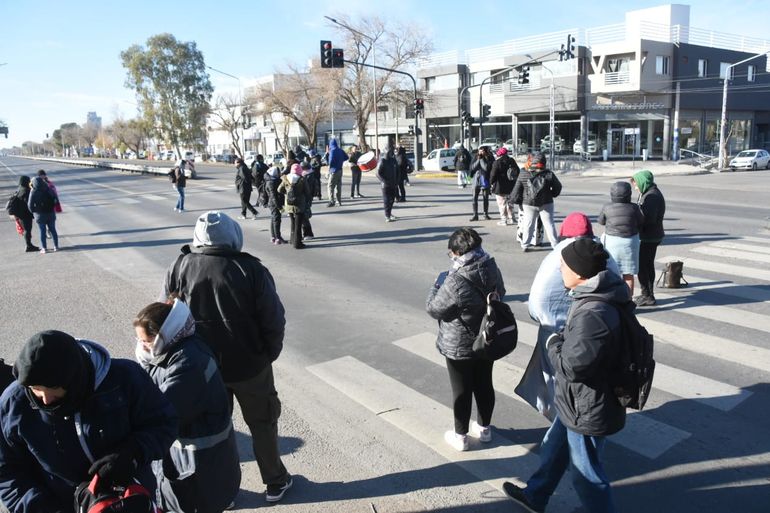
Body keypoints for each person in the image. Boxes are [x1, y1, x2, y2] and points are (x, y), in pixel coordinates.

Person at [159, 211, 293, 504]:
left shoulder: (179, 266)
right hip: (249, 364)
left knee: (217, 429)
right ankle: (275, 482)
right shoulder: (250, 269)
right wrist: (269, 353)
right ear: (233, 236)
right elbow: (273, 319)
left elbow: (165, 319)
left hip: (201, 368)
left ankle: (224, 492)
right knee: (263, 423)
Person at [504, 238, 627, 513]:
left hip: (588, 403)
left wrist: (553, 343)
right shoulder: (595, 297)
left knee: (586, 477)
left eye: (565, 265)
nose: (559, 268)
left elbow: (573, 365)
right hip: (578, 398)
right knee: (555, 448)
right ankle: (536, 495)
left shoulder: (593, 312)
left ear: (580, 273)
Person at [0, 330, 178, 512]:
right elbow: (7, 473)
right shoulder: (13, 405)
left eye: (53, 388)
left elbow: (163, 422)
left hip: (131, 501)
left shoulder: (124, 378)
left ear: (73, 378)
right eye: (36, 389)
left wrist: (132, 453)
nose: (45, 399)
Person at [133, 299, 241, 513]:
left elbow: (161, 412)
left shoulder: (188, 363)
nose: (143, 346)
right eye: (140, 340)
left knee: (195, 504)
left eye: (147, 340)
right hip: (190, 462)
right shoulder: (171, 350)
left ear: (165, 333)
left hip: (198, 466)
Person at [517, 212, 620, 420]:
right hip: (595, 330)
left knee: (559, 379)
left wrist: (552, 331)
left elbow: (538, 300)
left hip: (559, 330)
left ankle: (563, 419)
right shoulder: (602, 253)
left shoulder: (562, 255)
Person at [426, 227, 506, 451]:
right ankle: (484, 429)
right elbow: (501, 293)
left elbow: (434, 309)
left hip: (459, 342)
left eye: (451, 253)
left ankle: (460, 436)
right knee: (484, 383)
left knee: (461, 390)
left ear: (457, 253)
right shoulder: (491, 266)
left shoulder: (454, 279)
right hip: (486, 336)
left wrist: (436, 285)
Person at [598, 181, 645, 298]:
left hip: (612, 241)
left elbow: (601, 221)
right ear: (628, 194)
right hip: (629, 242)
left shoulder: (607, 207)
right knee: (628, 274)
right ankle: (628, 301)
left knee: (612, 272)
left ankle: (613, 300)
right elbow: (641, 221)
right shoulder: (634, 207)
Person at [511, 151, 561, 252]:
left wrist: (517, 200)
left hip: (528, 203)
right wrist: (552, 194)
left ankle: (525, 245)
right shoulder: (548, 174)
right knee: (549, 224)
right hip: (546, 202)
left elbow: (517, 190)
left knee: (528, 224)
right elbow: (558, 187)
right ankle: (555, 245)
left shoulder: (524, 172)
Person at [631, 170, 666, 307]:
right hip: (650, 235)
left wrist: (635, 219)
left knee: (644, 267)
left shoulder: (652, 197)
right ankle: (646, 294)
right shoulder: (648, 193)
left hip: (650, 236)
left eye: (636, 184)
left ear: (643, 182)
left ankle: (649, 296)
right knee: (646, 265)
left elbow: (648, 219)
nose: (635, 187)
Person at [278, 163, 312, 249]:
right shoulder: (301, 179)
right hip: (299, 205)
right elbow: (307, 192)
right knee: (298, 224)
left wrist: (287, 193)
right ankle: (297, 243)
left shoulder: (285, 178)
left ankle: (292, 240)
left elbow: (279, 189)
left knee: (292, 223)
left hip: (288, 204)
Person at [6, 175, 39, 252]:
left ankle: (29, 245)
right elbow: (28, 202)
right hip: (25, 214)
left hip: (20, 214)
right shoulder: (26, 190)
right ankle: (28, 246)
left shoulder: (19, 189)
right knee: (27, 230)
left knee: (25, 230)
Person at [27, 175, 59, 253]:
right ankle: (56, 246)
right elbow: (56, 200)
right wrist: (51, 207)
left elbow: (30, 205)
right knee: (53, 230)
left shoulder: (33, 191)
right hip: (50, 213)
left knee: (42, 231)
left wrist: (35, 212)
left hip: (40, 214)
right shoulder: (48, 189)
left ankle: (44, 248)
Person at [489, 147, 518, 226]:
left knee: (502, 204)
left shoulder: (497, 162)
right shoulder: (511, 161)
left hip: (500, 187)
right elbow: (517, 172)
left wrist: (490, 183)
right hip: (511, 186)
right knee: (510, 203)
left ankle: (504, 220)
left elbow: (493, 175)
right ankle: (512, 219)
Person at [469, 146, 493, 221]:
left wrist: (481, 159)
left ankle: (485, 214)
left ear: (486, 151)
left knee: (485, 198)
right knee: (474, 198)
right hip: (476, 179)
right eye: (479, 151)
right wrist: (478, 160)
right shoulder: (475, 157)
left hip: (485, 179)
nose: (480, 152)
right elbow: (472, 168)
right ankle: (475, 215)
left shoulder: (490, 157)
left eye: (482, 151)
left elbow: (486, 168)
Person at [264, 166, 287, 245]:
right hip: (274, 203)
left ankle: (273, 236)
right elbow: (273, 196)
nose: (280, 173)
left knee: (273, 219)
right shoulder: (272, 182)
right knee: (276, 220)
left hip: (272, 203)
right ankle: (278, 237)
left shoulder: (271, 180)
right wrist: (279, 207)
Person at [377, 144, 399, 222]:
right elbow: (378, 173)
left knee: (392, 200)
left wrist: (397, 181)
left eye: (392, 151)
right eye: (389, 151)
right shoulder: (382, 160)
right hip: (385, 185)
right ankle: (387, 215)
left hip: (393, 183)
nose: (391, 152)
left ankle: (389, 213)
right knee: (386, 200)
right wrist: (384, 181)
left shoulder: (393, 160)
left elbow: (397, 171)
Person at [325, 139, 348, 207]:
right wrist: (340, 161)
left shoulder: (332, 151)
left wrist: (329, 166)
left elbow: (330, 161)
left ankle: (331, 201)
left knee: (330, 186)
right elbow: (346, 157)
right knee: (338, 186)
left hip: (333, 170)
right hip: (340, 170)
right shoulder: (340, 150)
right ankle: (339, 201)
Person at [300, 161, 316, 241]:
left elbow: (307, 189)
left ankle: (308, 233)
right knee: (304, 215)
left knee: (304, 216)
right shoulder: (308, 174)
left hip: (306, 198)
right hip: (307, 198)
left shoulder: (307, 176)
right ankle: (306, 233)